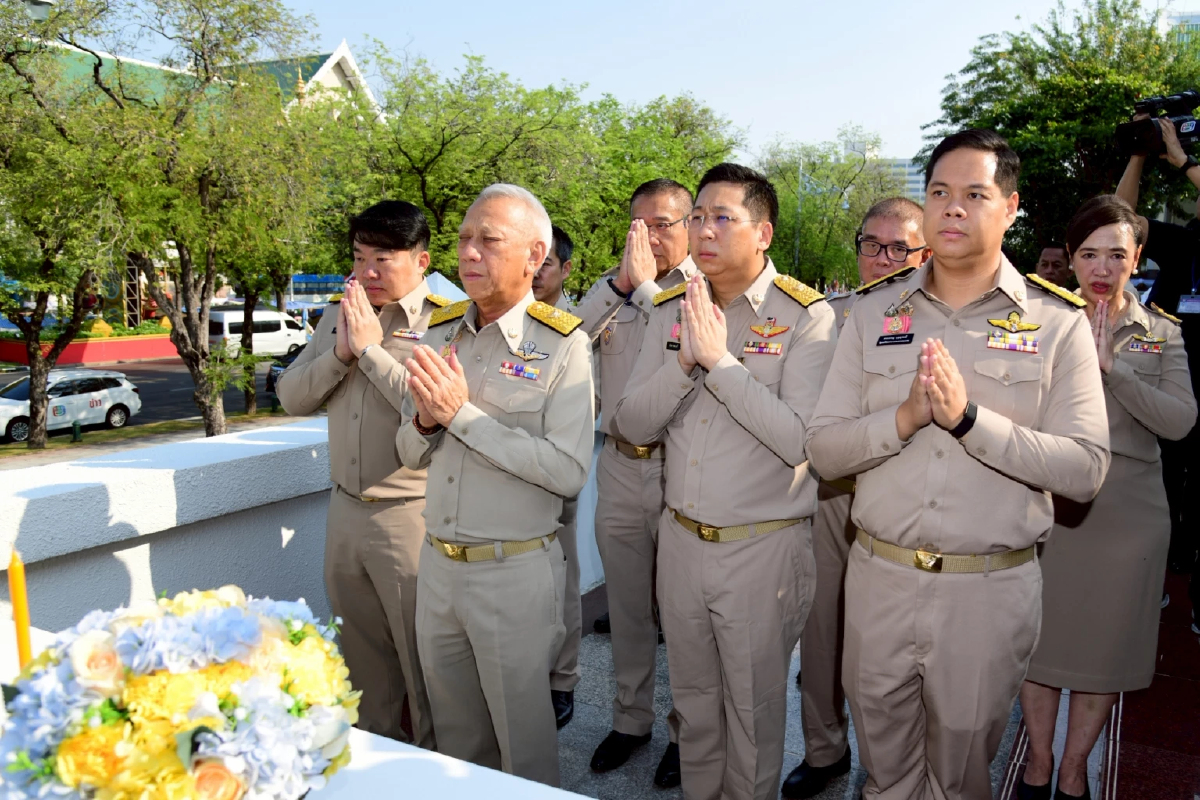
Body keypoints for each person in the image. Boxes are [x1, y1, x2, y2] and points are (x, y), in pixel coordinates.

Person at [806, 129, 1111, 800]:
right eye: (939, 192)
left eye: (974, 194)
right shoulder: (869, 315)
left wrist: (971, 421)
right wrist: (904, 419)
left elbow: (1087, 468)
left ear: (1010, 207)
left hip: (986, 593)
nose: (951, 208)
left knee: (961, 778)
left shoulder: (1056, 323)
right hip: (880, 580)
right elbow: (823, 450)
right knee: (882, 772)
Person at [615, 163, 837, 800]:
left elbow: (802, 441)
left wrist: (720, 362)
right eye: (697, 217)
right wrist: (685, 364)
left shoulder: (806, 316)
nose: (703, 230)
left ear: (762, 232)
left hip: (761, 549)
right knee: (694, 709)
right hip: (681, 541)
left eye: (722, 217)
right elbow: (631, 423)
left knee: (753, 717)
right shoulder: (671, 308)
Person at [396, 183, 594, 786]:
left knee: (523, 751)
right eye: (463, 239)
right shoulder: (442, 331)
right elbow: (406, 451)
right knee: (458, 747)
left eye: (489, 240)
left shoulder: (562, 344)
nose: (470, 253)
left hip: (512, 575)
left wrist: (461, 416)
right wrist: (428, 419)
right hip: (439, 569)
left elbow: (566, 471)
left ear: (535, 256)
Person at [1018, 195, 1197, 800]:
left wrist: (1111, 370)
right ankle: (1039, 765)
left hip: (1129, 516)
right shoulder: (1035, 320)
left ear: (1137, 258)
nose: (1102, 268)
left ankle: (1073, 772)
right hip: (1051, 504)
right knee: (1038, 646)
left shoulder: (1161, 333)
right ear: (1069, 259)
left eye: (1116, 255)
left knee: (1103, 652)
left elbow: (1179, 422)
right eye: (1089, 254)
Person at [276, 200, 443, 748]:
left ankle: (435, 774)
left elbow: (429, 406)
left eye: (382, 259)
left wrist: (371, 351)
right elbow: (291, 397)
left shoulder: (444, 320)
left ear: (421, 261)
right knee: (361, 666)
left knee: (424, 671)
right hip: (345, 511)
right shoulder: (339, 312)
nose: (365, 272)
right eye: (358, 257)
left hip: (409, 515)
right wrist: (340, 354)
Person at [783, 196, 928, 800]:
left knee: (895, 646)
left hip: (902, 497)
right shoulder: (829, 316)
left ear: (924, 252)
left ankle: (894, 762)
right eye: (873, 245)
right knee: (822, 634)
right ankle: (824, 748)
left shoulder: (936, 317)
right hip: (834, 492)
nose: (884, 259)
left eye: (901, 248)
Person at [575, 178, 697, 788]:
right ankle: (631, 719)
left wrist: (646, 289)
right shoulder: (616, 292)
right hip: (622, 463)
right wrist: (623, 284)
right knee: (627, 608)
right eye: (639, 225)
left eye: (663, 224)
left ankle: (686, 731)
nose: (649, 237)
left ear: (691, 224)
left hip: (684, 467)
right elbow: (566, 336)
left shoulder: (706, 290)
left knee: (682, 614)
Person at [1116, 115, 1200, 605]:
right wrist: (1140, 154)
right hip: (1168, 375)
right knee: (1162, 479)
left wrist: (1184, 159)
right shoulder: (1187, 241)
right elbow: (1117, 220)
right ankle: (1153, 577)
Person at [535, 223, 585, 729]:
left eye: (546, 263)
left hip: (555, 481)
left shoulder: (576, 327)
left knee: (563, 585)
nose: (535, 272)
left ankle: (562, 679)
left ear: (565, 269)